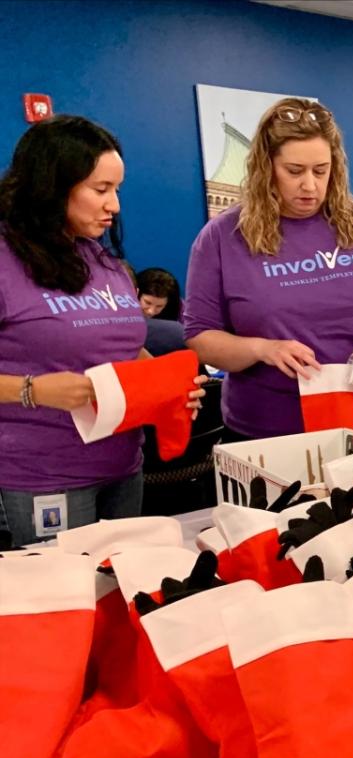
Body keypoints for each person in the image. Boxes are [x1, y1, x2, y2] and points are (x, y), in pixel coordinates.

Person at [0, 116, 202, 545]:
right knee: (62, 603)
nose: (115, 206)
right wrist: (32, 390)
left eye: (117, 189)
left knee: (117, 596)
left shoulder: (102, 261)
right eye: (101, 189)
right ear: (52, 186)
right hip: (41, 475)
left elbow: (128, 350)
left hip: (123, 468)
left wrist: (171, 387)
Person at [185, 98, 353, 440]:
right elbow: (201, 338)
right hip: (271, 431)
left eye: (321, 170)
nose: (310, 186)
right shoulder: (222, 237)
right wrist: (263, 350)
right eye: (294, 171)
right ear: (266, 167)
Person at [137, 267, 187, 356]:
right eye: (147, 302)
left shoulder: (182, 310)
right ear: (136, 293)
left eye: (159, 306)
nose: (151, 311)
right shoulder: (122, 307)